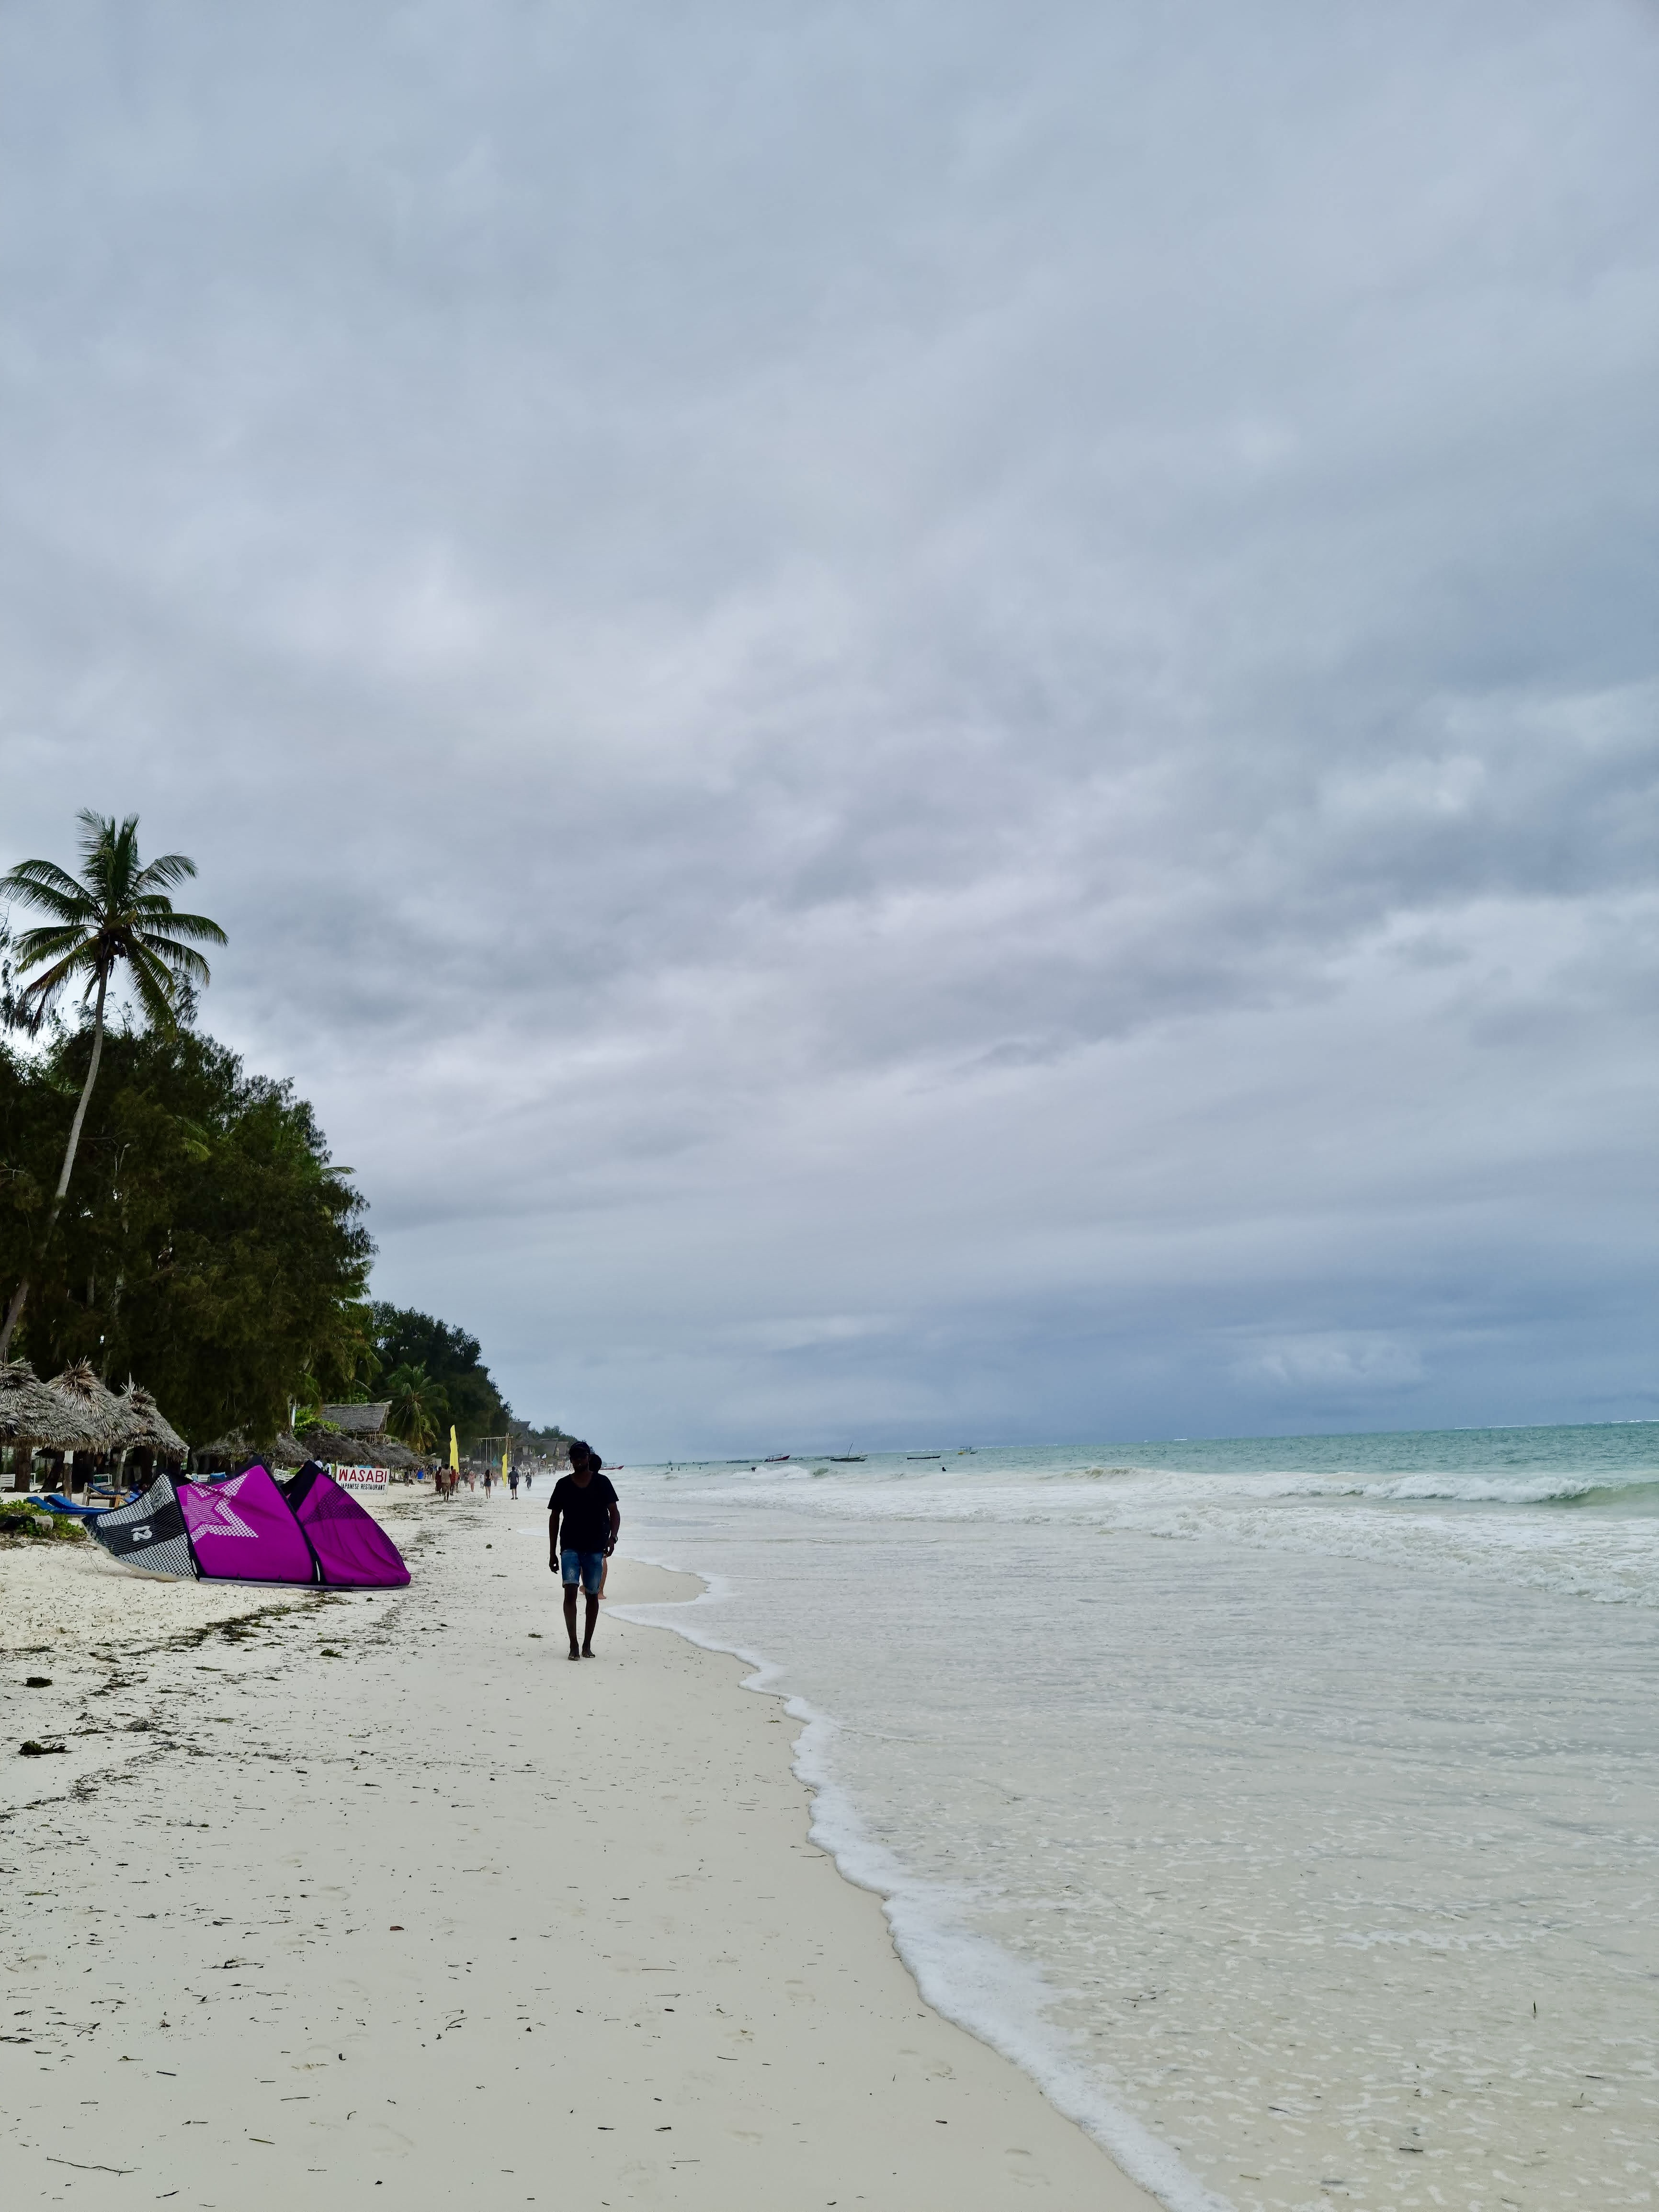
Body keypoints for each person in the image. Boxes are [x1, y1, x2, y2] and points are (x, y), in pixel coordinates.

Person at [547, 1440, 620, 1660]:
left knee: (592, 1595)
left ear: (589, 1458)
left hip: (596, 1548)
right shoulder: (563, 1485)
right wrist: (552, 1553)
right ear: (571, 1460)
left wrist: (613, 1537)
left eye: (582, 1457)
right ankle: (573, 1645)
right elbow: (554, 1518)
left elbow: (615, 1513)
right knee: (570, 1592)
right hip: (569, 1546)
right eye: (575, 1458)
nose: (578, 1462)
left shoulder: (602, 1483)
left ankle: (587, 1644)